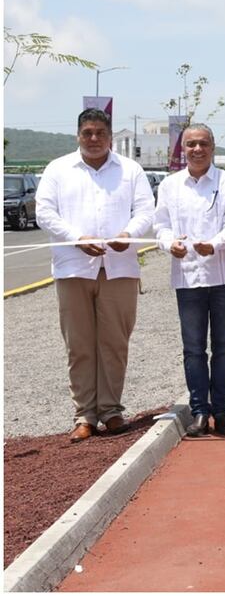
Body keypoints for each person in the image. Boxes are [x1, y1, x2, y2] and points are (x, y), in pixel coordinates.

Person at [36, 108, 155, 442]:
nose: (93, 139)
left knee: (115, 343)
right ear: (78, 135)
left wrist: (129, 234)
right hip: (73, 268)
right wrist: (77, 238)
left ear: (109, 135)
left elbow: (146, 210)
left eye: (100, 133)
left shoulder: (130, 170)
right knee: (79, 345)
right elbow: (44, 212)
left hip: (120, 269)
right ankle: (84, 414)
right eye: (87, 133)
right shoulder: (58, 169)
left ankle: (111, 410)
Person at [153, 124, 225, 436]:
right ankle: (199, 412)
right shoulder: (169, 185)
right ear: (182, 149)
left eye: (203, 143)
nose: (196, 149)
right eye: (190, 144)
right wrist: (170, 244)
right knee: (193, 349)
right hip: (187, 277)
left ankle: (221, 411)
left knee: (223, 348)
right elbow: (161, 226)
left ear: (213, 146)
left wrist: (215, 244)